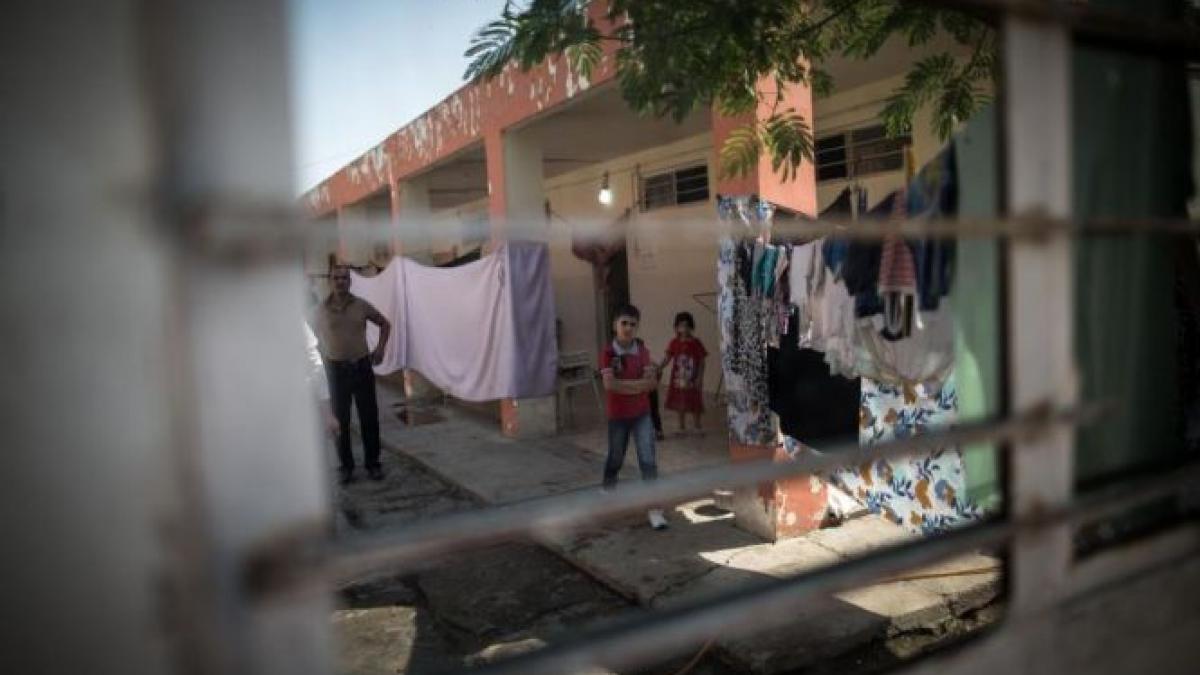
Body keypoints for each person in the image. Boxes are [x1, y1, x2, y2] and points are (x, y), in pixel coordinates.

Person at [311, 265, 391, 484]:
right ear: (329, 281)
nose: (340, 281)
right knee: (340, 421)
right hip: (336, 371)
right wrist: (319, 361)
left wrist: (380, 349)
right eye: (336, 278)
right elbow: (310, 339)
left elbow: (385, 324)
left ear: (350, 281)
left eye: (344, 278)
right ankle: (346, 467)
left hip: (362, 368)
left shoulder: (361, 305)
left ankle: (373, 464)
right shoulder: (320, 311)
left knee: (369, 419)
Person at [599, 304, 668, 530]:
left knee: (648, 461)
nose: (628, 328)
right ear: (615, 326)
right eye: (624, 323)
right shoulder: (608, 353)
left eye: (633, 324)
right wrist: (639, 385)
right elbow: (610, 385)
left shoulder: (643, 351)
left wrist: (628, 385)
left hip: (642, 415)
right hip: (618, 415)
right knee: (616, 457)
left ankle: (654, 509)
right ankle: (608, 489)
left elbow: (651, 384)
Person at [663, 311, 708, 435]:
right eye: (681, 325)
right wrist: (659, 367)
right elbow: (667, 358)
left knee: (695, 401)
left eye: (687, 325)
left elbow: (702, 362)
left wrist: (699, 378)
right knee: (680, 401)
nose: (684, 328)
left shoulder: (696, 343)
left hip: (692, 379)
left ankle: (697, 426)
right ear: (677, 327)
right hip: (678, 379)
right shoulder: (674, 342)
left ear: (691, 326)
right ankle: (681, 427)